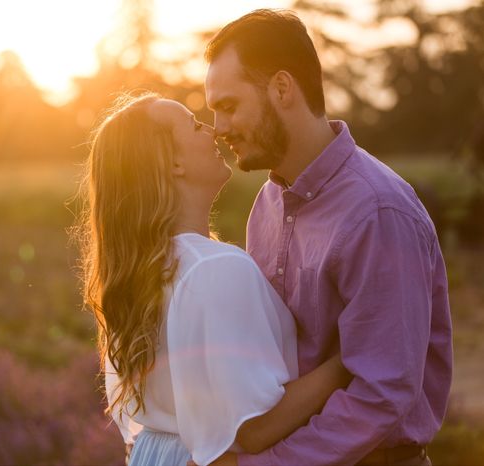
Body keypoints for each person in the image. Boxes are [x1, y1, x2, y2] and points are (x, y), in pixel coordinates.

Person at [202, 9, 452, 466]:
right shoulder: (268, 204)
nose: (218, 129)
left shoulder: (377, 212)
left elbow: (381, 393)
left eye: (228, 106)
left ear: (281, 89)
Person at [74, 91, 352, 466]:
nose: (213, 131)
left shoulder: (141, 271)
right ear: (172, 162)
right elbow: (252, 430)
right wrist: (345, 361)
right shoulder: (215, 269)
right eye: (193, 124)